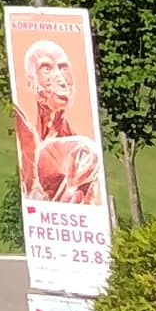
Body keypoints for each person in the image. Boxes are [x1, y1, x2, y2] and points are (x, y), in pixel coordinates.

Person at [13, 37, 104, 206]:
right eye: (46, 69)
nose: (60, 79)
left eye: (63, 68)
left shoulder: (78, 148)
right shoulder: (25, 135)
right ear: (31, 82)